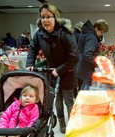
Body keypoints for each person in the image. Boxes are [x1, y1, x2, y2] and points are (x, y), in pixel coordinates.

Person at [25, 3, 78, 133]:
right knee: (57, 100)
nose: (46, 20)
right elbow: (32, 48)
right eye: (43, 17)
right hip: (51, 73)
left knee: (68, 101)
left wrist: (59, 70)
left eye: (49, 17)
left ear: (56, 18)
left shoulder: (65, 33)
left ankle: (73, 124)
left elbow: (74, 57)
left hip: (67, 71)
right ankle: (62, 124)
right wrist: (30, 63)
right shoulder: (39, 34)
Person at [76, 19, 109, 90]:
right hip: (87, 67)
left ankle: (81, 100)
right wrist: (98, 62)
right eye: (101, 32)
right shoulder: (92, 37)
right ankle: (84, 101)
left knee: (84, 84)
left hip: (82, 65)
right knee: (87, 86)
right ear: (97, 28)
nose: (101, 34)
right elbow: (87, 54)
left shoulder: (86, 33)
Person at [73, 21, 83, 98]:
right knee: (80, 78)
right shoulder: (80, 36)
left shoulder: (71, 35)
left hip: (71, 59)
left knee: (73, 78)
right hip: (79, 59)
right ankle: (80, 94)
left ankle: (74, 94)